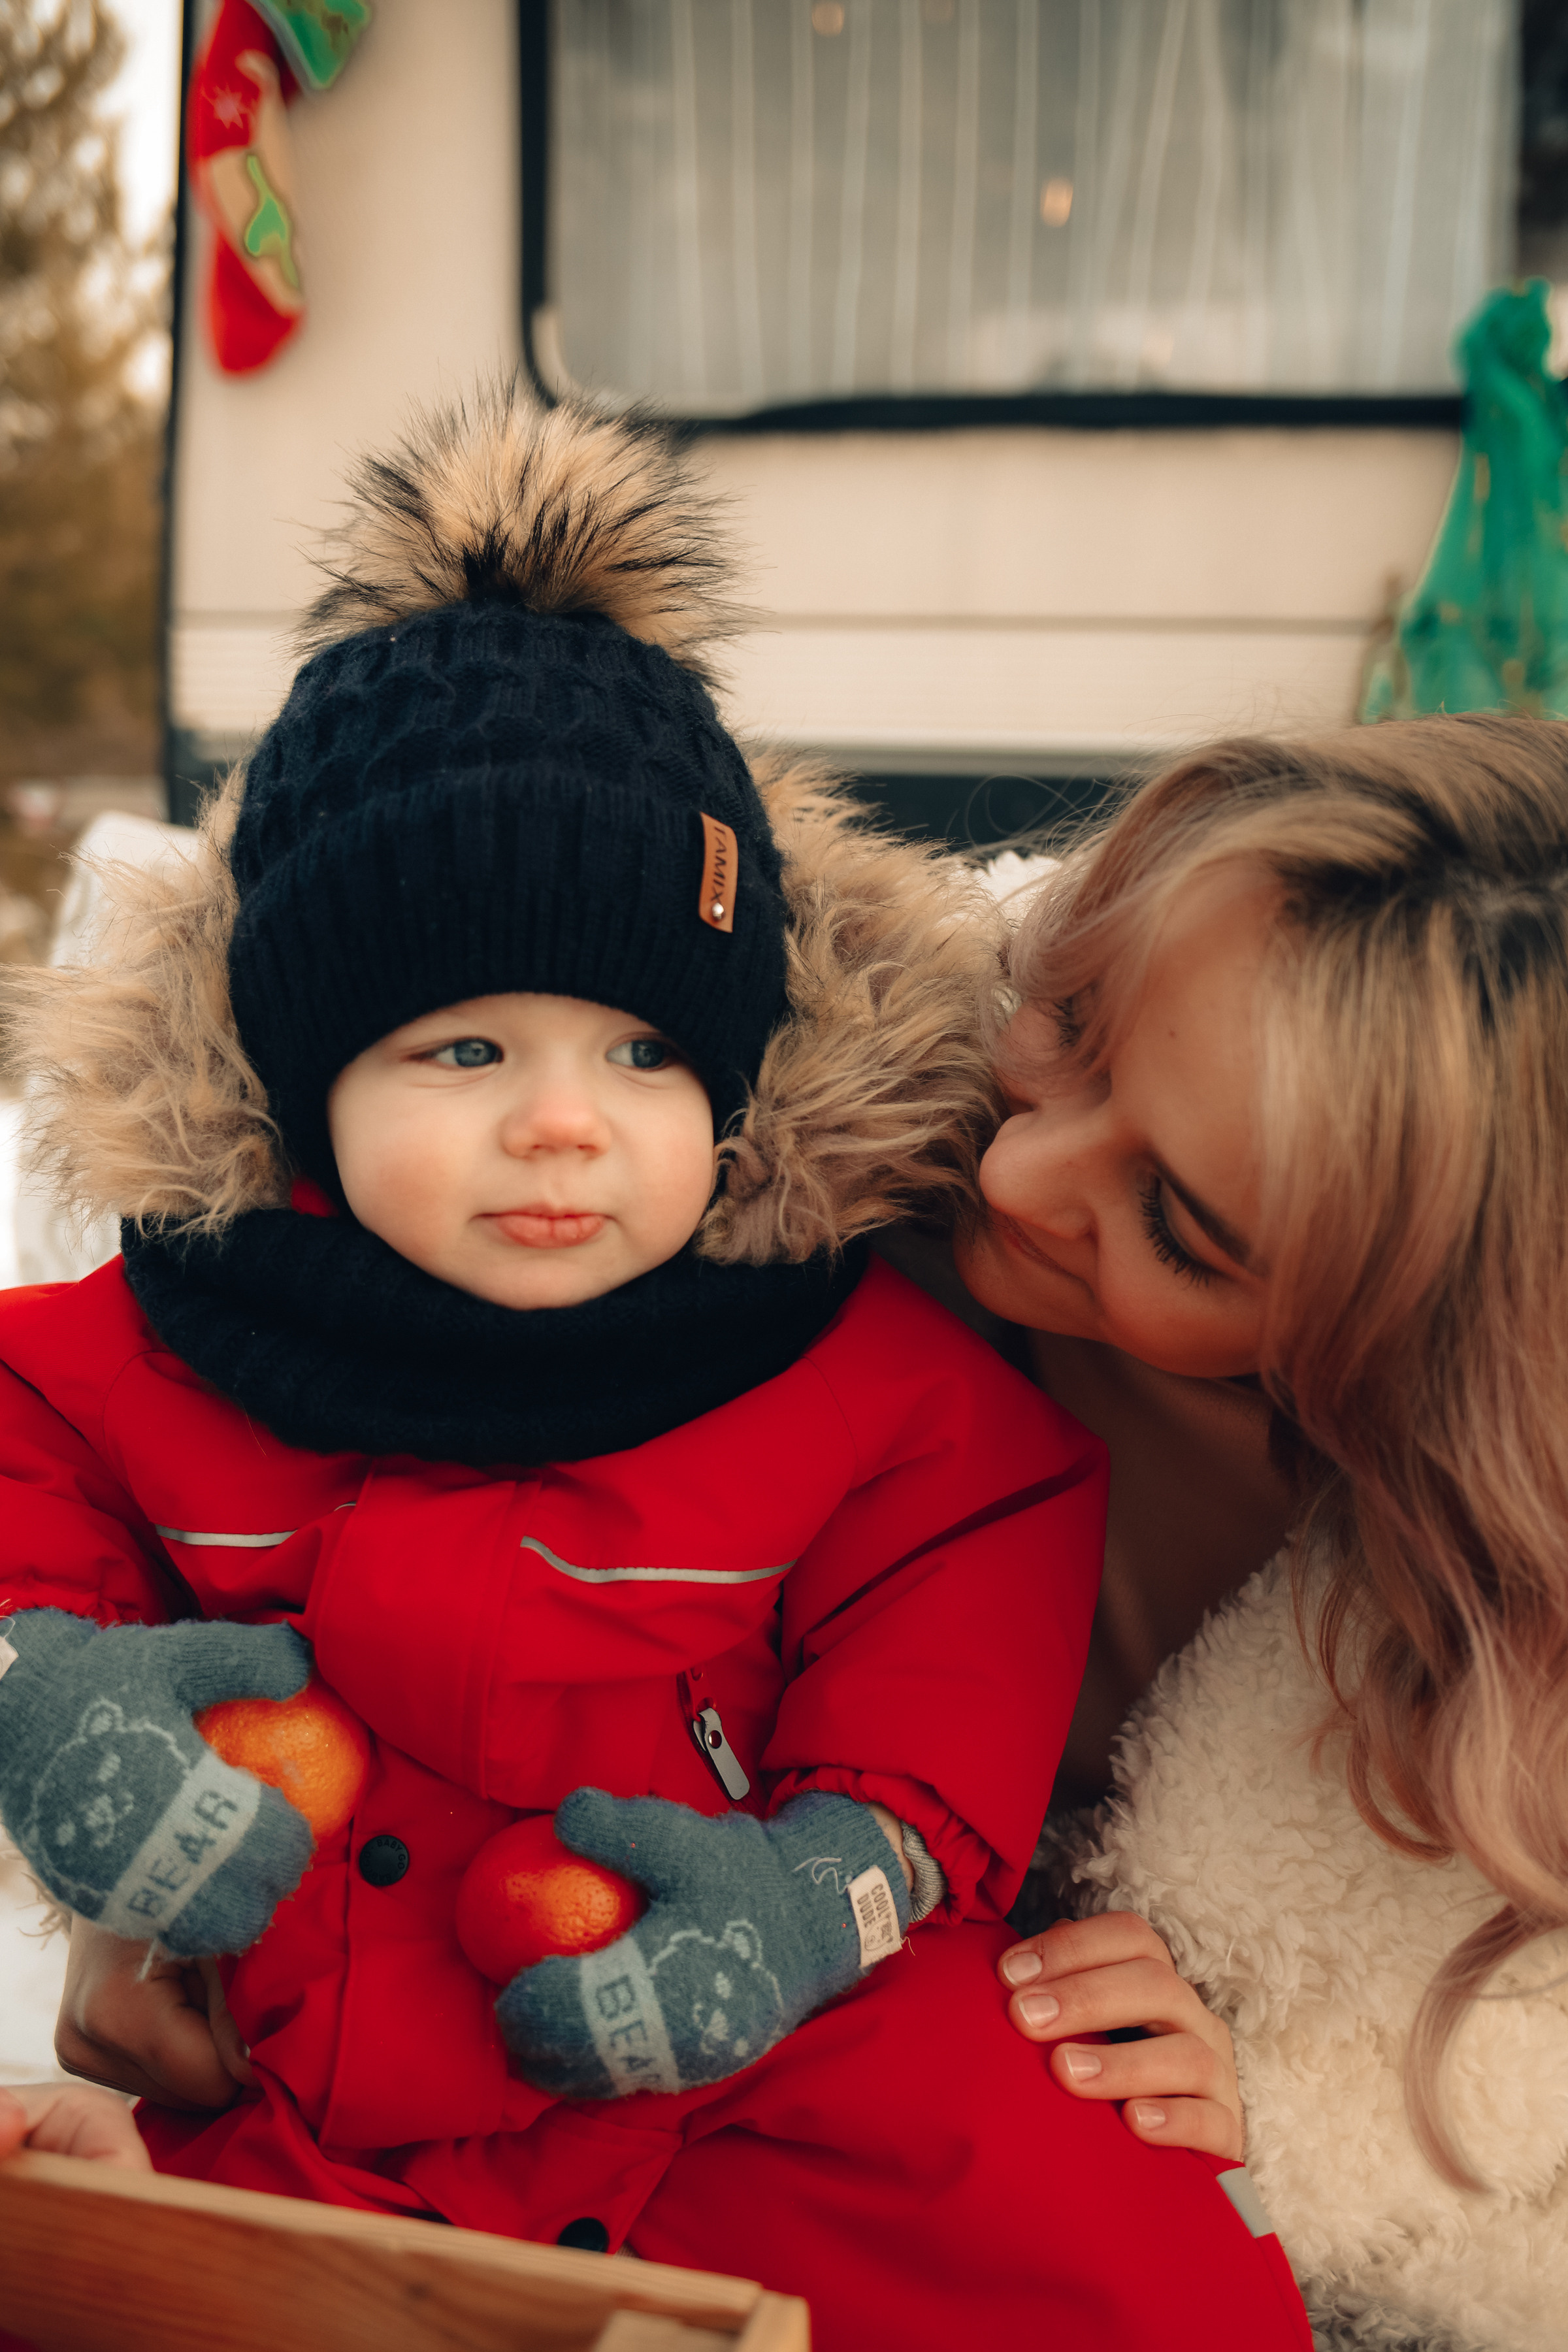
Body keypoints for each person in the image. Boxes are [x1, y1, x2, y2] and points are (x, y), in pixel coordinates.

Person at [0, 387, 1309, 2352]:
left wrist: (823, 1891)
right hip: (330, 2047)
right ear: (302, 1080)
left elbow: (951, 1642)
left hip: (767, 2040)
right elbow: (31, 1471)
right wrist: (51, 1694)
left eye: (643, 1058)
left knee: (1108, 2259)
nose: (565, 1127)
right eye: (465, 1053)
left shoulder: (858, 1371)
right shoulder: (183, 1335)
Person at [955, 715, 1568, 2349]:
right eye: (1067, 1024)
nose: (1016, 1169)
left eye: (1180, 1223)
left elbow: (1513, 2128)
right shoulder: (785, 1195)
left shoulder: (1494, 1629)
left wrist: (1274, 2102)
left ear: (1416, 1349)